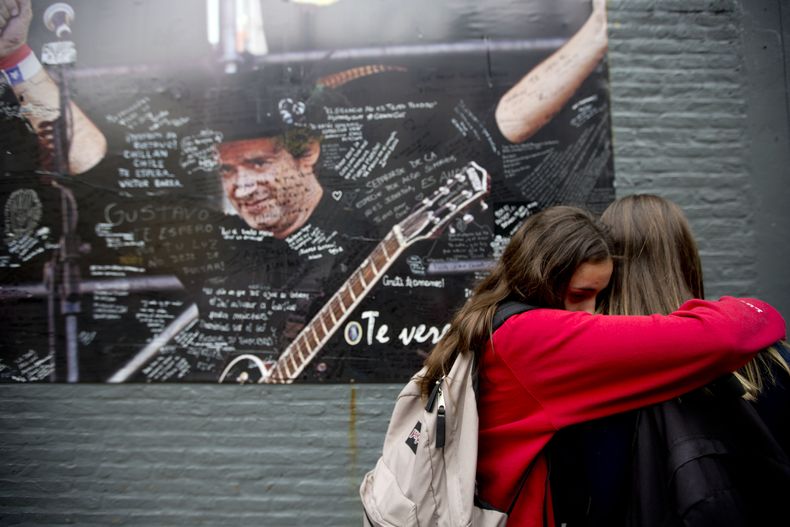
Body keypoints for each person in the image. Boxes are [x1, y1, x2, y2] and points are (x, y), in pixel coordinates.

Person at [417, 205, 786, 527]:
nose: (590, 312)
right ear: (542, 276)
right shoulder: (534, 337)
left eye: (600, 295)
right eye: (579, 295)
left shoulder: (495, 321)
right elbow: (723, 339)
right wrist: (758, 310)